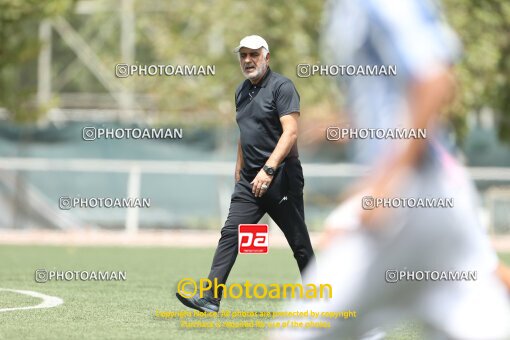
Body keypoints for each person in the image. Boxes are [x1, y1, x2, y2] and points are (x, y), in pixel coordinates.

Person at [273, 0, 510, 338]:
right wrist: (336, 128)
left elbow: (434, 80)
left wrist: (388, 179)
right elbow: (393, 100)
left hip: (411, 194)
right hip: (432, 194)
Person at [176, 35, 315, 313]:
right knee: (231, 233)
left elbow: (291, 132)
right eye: (243, 55)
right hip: (250, 179)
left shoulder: (282, 87)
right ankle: (210, 298)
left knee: (299, 242)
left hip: (281, 177)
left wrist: (269, 169)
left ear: (267, 57)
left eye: (254, 54)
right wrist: (239, 164)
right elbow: (246, 130)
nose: (248, 60)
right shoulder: (241, 90)